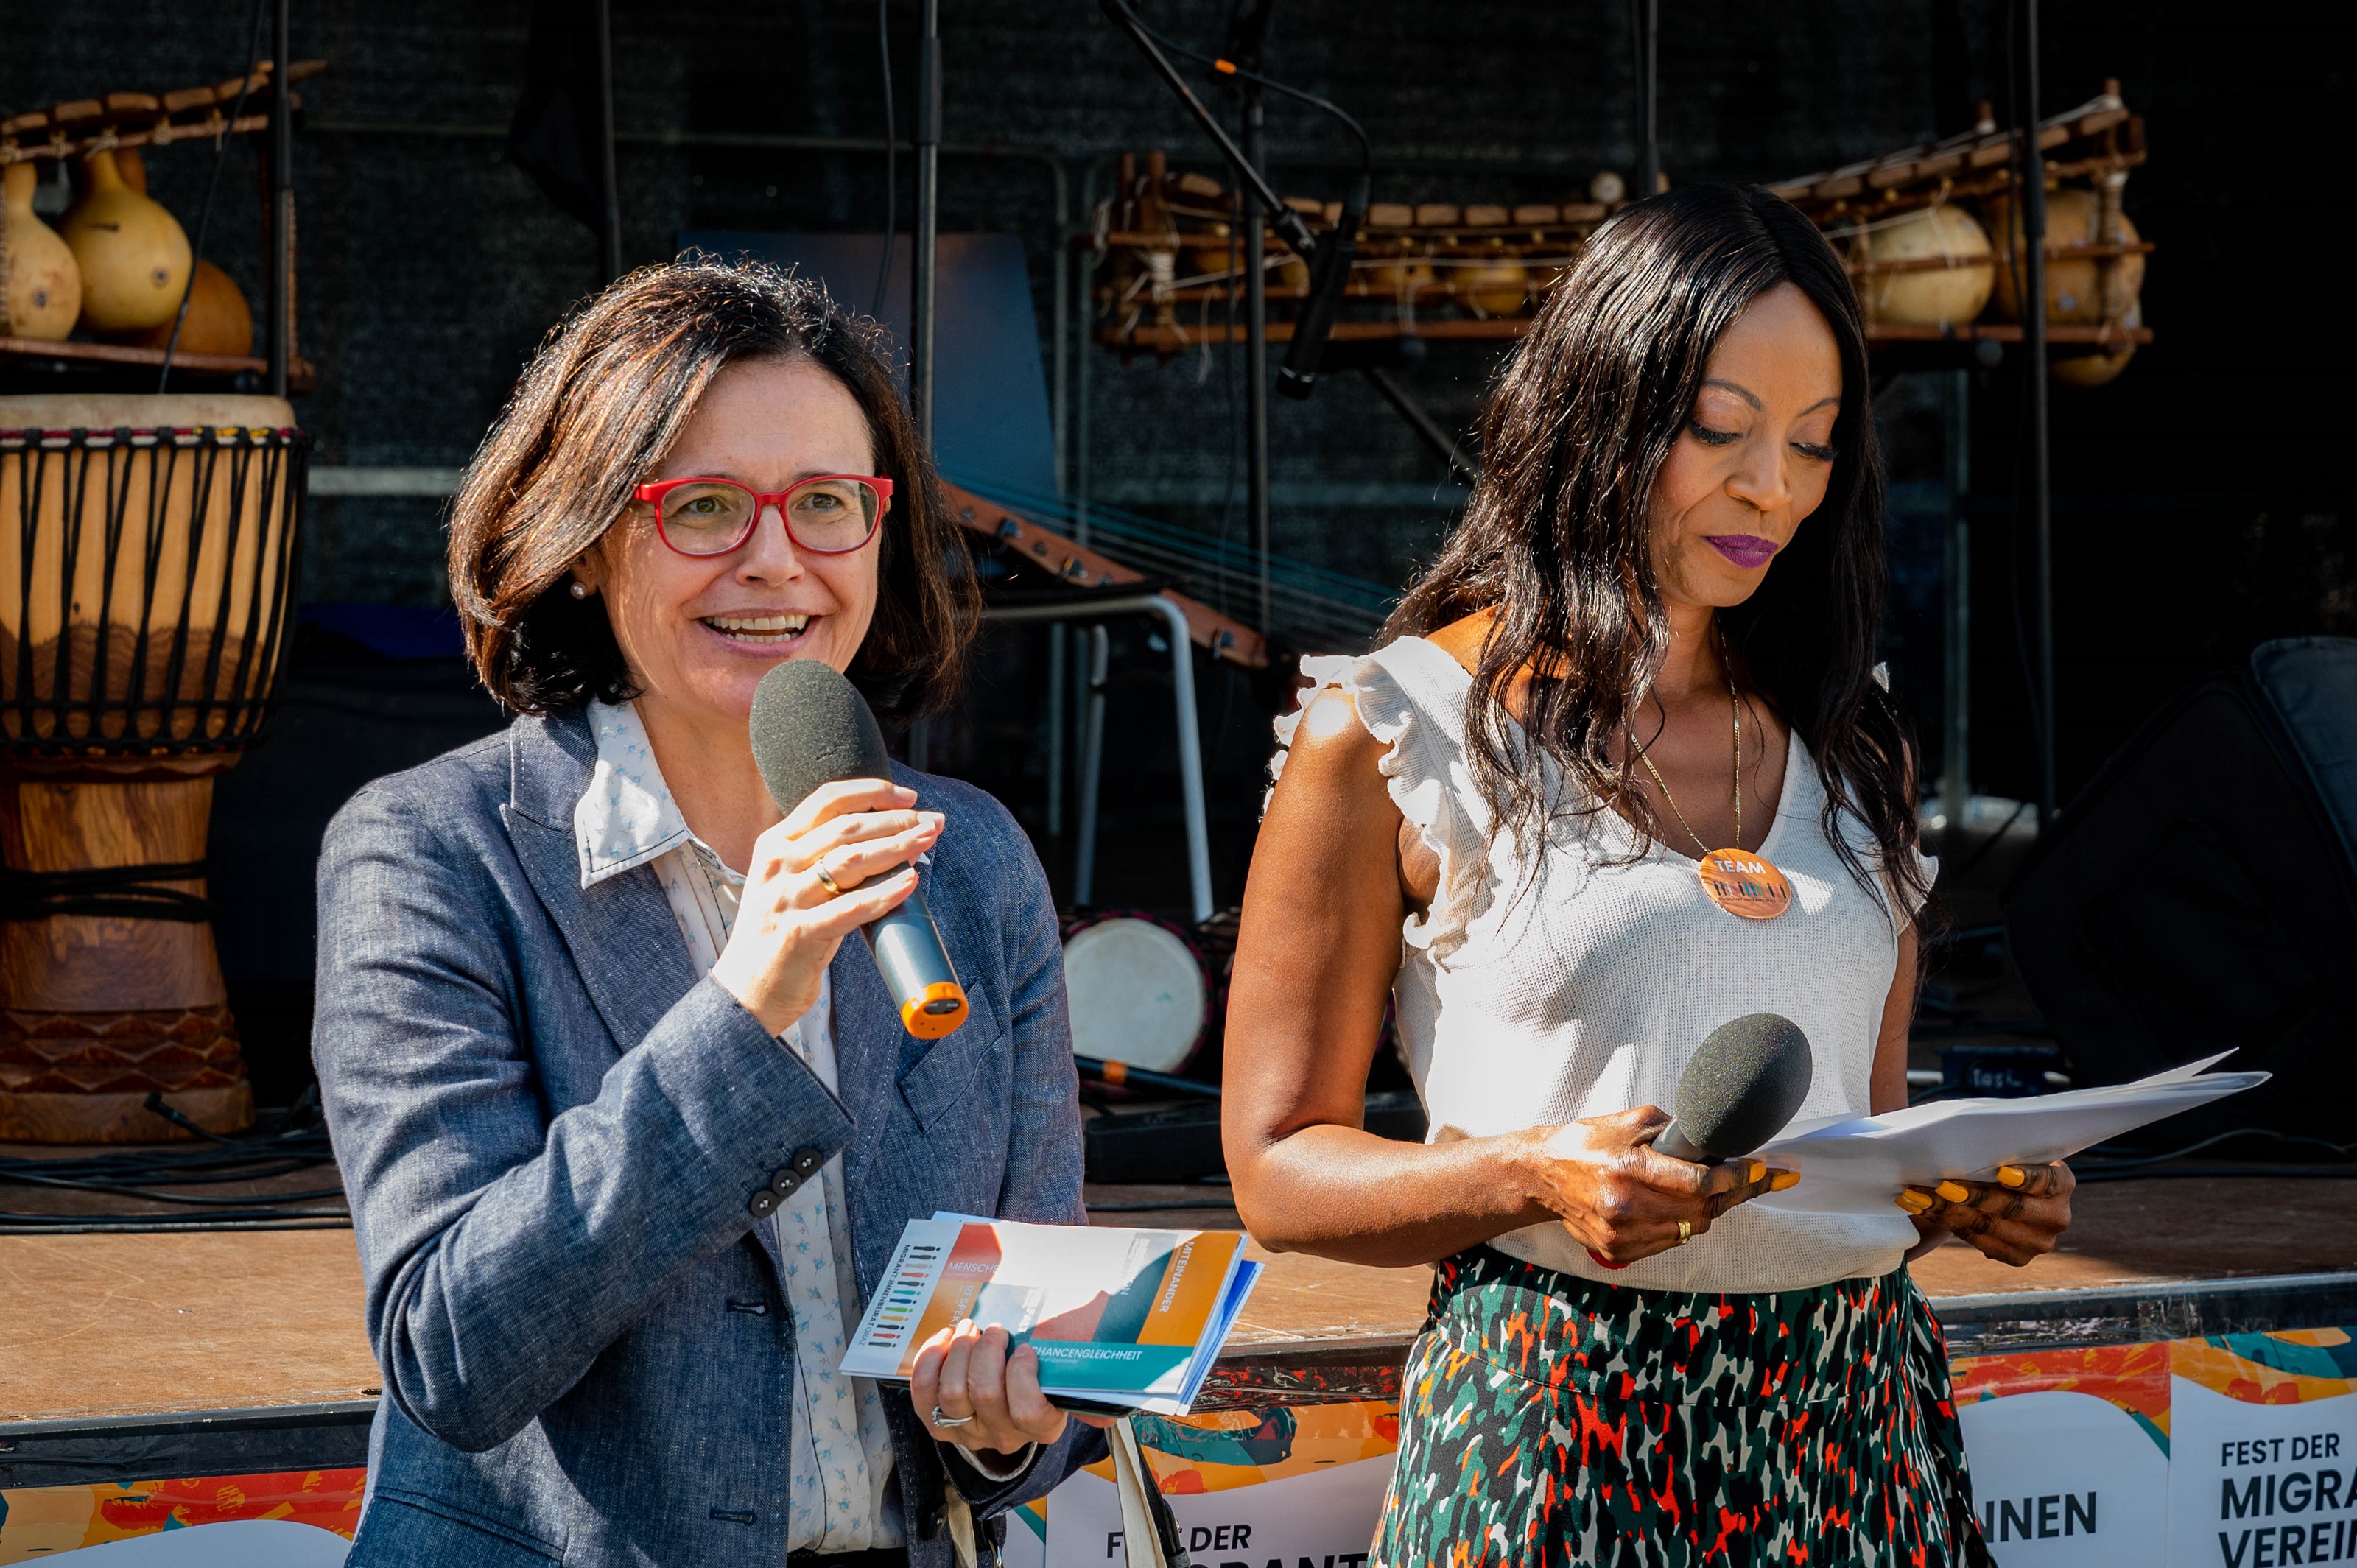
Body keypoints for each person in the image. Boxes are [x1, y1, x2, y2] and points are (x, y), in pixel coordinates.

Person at [1225, 185, 2073, 1567]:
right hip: (1555, 1426)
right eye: (1722, 430)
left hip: (1853, 1429)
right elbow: (1275, 1166)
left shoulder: (1854, 742)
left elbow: (1867, 1130)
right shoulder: (1390, 729)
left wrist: (1959, 1194)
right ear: (1601, 412)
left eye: (1814, 445)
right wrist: (1528, 1174)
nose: (1773, 489)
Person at [314, 259, 1095, 1568]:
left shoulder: (971, 861)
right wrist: (748, 1001)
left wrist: (1009, 1422)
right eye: (709, 506)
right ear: (587, 539)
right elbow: (453, 1349)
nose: (778, 560)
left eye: (828, 504)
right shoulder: (427, 852)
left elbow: (1036, 1322)